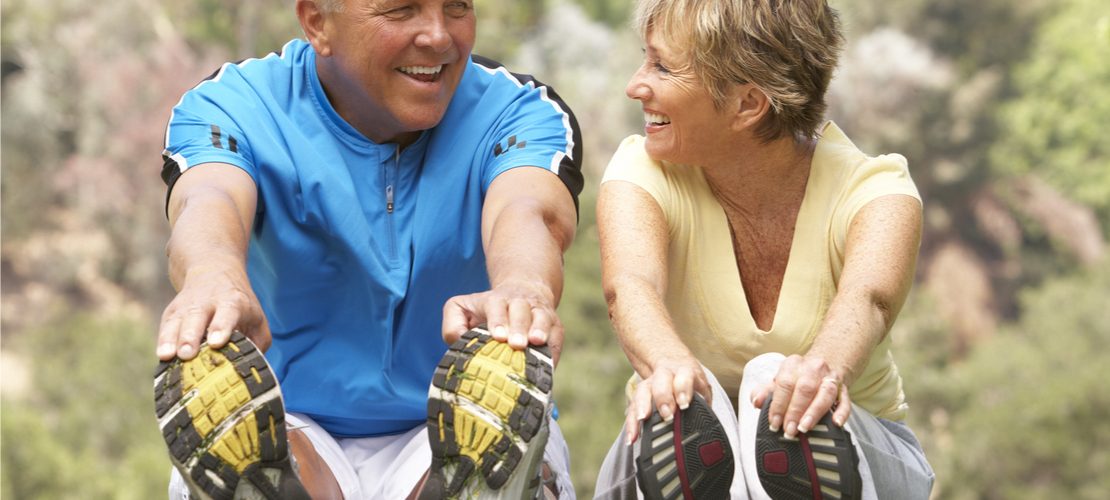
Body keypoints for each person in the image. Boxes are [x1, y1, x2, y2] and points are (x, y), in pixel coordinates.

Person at [151, 0, 583, 498]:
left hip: (469, 419)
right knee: (273, 443)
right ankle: (273, 475)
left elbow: (528, 210)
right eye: (401, 11)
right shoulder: (231, 106)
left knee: (501, 463)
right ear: (317, 21)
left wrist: (522, 287)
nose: (440, 36)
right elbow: (209, 198)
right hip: (288, 415)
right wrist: (212, 276)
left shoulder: (519, 111)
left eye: (458, 6)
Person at [592, 0, 935, 498]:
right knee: (687, 411)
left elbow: (869, 298)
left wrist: (822, 372)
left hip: (863, 453)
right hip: (664, 444)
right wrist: (669, 366)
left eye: (662, 66)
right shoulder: (642, 173)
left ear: (747, 105)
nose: (636, 85)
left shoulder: (876, 192)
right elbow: (631, 286)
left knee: (778, 390)